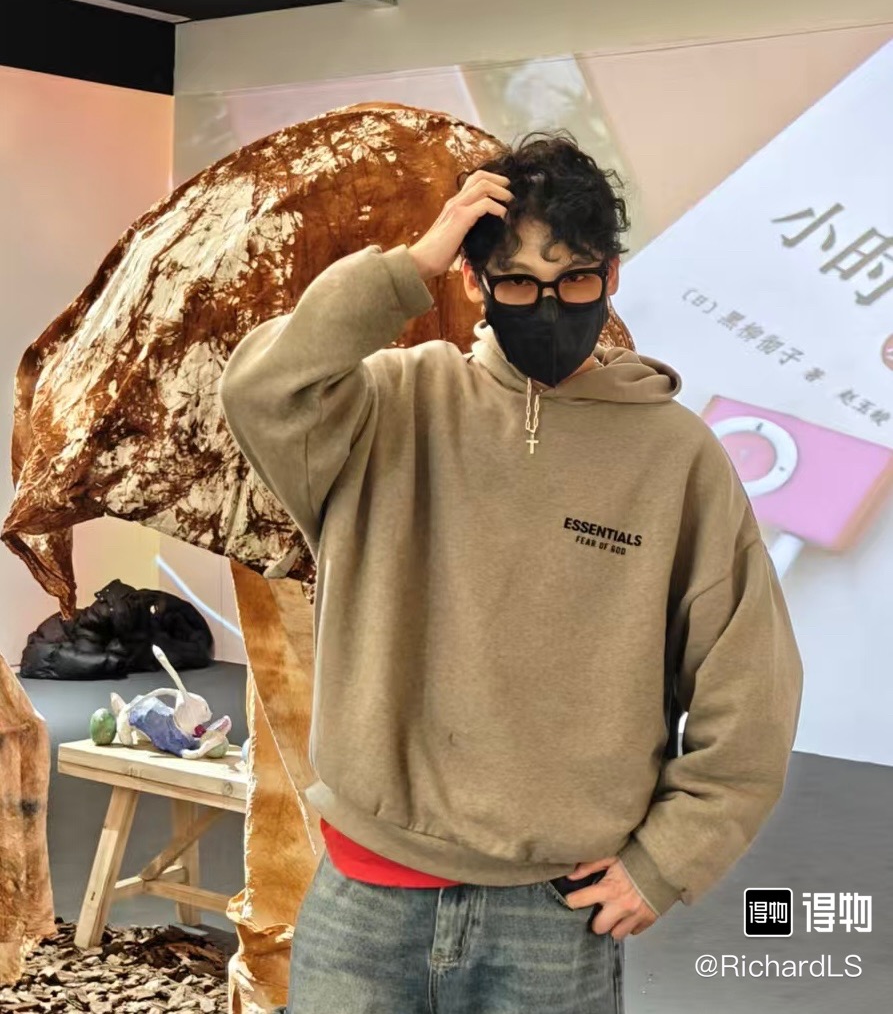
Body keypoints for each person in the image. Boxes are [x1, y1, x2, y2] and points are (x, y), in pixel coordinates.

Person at [219, 131, 803, 1014]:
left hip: (554, 913)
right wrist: (407, 267)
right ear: (472, 280)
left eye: (575, 279)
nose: (549, 304)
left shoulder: (674, 454)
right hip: (366, 898)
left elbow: (749, 678)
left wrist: (667, 859)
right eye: (519, 281)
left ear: (611, 274)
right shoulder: (385, 406)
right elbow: (261, 389)